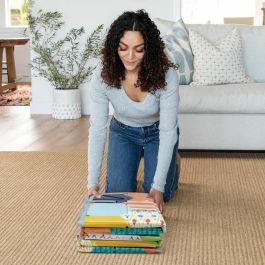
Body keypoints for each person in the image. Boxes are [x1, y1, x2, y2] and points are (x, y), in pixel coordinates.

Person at [87, 9, 179, 212]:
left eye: (139, 49)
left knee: (158, 193)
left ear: (150, 49)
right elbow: (97, 130)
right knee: (119, 193)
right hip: (123, 131)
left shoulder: (167, 75)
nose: (129, 56)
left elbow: (167, 131)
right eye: (123, 48)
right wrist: (92, 183)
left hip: (157, 132)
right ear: (114, 47)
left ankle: (173, 163)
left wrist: (158, 186)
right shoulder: (102, 75)